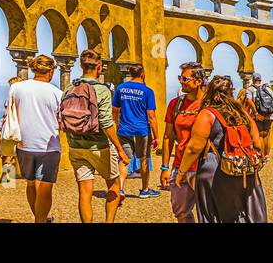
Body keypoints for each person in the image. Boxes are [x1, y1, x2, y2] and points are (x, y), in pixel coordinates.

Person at [177, 75, 267, 222]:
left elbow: (194, 148)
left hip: (215, 170)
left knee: (215, 213)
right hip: (243, 169)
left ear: (210, 91)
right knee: (241, 212)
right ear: (230, 92)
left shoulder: (207, 114)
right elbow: (257, 143)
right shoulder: (241, 113)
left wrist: (181, 172)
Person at [62, 49, 129, 223]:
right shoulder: (102, 90)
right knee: (114, 185)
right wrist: (121, 150)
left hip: (75, 146)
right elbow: (107, 123)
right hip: (100, 146)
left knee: (85, 191)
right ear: (99, 67)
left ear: (80, 66)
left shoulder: (70, 87)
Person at [8, 54, 64, 223]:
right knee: (46, 186)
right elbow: (61, 122)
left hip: (24, 144)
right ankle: (40, 220)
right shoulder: (57, 93)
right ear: (51, 71)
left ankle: (39, 218)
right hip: (49, 146)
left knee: (31, 184)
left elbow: (11, 114)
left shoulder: (16, 88)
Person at [160, 62, 207, 223]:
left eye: (185, 78)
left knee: (208, 213)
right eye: (180, 78)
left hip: (205, 167)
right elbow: (168, 137)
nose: (181, 81)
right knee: (181, 212)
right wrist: (165, 167)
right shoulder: (176, 104)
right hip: (180, 165)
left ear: (198, 81)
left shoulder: (209, 104)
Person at [113, 64, 159, 199]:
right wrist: (156, 136)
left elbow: (115, 109)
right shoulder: (147, 91)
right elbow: (151, 115)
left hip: (124, 129)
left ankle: (120, 189)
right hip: (142, 130)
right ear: (143, 74)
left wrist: (117, 124)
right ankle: (145, 190)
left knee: (124, 160)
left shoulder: (121, 88)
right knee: (144, 159)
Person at [0, 75, 21, 187]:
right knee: (12, 153)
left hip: (9, 127)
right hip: (18, 127)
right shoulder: (21, 98)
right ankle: (9, 178)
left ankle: (8, 179)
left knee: (8, 152)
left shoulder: (10, 98)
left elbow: (6, 113)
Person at [247, 74, 273, 162]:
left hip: (258, 116)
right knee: (267, 135)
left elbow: (249, 101)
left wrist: (256, 113)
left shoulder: (250, 89)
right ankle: (267, 155)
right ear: (260, 80)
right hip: (269, 115)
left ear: (253, 79)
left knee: (260, 135)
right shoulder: (268, 89)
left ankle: (262, 156)